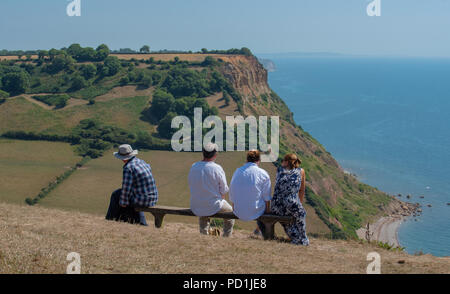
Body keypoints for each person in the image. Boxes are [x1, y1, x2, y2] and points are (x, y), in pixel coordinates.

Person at [188, 143, 234, 237]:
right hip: (213, 204)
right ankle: (226, 237)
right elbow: (224, 189)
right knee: (230, 214)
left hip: (196, 204)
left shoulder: (194, 166)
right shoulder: (217, 168)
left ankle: (204, 235)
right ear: (215, 155)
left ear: (203, 153)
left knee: (203, 214)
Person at [106, 144, 158, 226]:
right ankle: (131, 221)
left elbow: (126, 188)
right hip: (153, 198)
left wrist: (123, 202)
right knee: (120, 195)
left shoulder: (128, 167)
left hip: (142, 199)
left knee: (116, 196)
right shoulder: (141, 162)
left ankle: (110, 219)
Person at [229, 150, 272, 235]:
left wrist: (234, 207)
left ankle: (258, 230)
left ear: (247, 159)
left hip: (238, 211)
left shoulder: (237, 171)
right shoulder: (263, 174)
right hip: (256, 212)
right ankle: (263, 232)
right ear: (258, 160)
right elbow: (267, 197)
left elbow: (232, 191)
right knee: (270, 201)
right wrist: (267, 213)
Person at [271, 153, 309, 245]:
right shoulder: (301, 171)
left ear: (286, 162)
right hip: (291, 202)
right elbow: (302, 190)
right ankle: (303, 238)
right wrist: (299, 203)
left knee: (286, 221)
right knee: (301, 214)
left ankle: (295, 237)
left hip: (276, 204)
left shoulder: (279, 170)